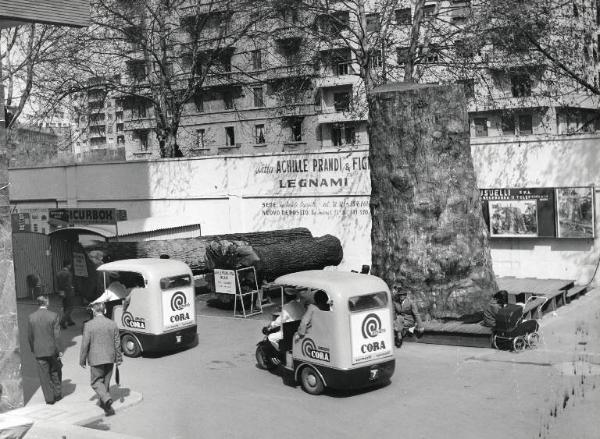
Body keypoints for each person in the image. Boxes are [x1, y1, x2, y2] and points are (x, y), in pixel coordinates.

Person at [80, 302, 123, 416]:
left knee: (95, 382)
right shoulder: (112, 324)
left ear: (94, 311)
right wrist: (118, 358)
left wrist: (82, 359)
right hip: (110, 357)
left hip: (96, 358)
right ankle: (107, 407)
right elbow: (117, 343)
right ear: (104, 311)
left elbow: (85, 344)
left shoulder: (88, 325)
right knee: (106, 382)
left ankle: (106, 399)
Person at [27, 295, 63, 405]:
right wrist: (59, 350)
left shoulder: (31, 317)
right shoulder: (53, 316)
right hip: (52, 350)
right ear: (46, 302)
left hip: (39, 351)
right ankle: (57, 394)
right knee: (55, 371)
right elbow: (57, 335)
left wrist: (34, 349)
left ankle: (49, 399)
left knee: (44, 376)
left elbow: (30, 336)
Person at [56, 259, 75, 329]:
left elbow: (58, 284)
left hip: (61, 291)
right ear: (68, 265)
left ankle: (69, 321)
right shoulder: (69, 273)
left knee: (65, 306)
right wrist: (72, 288)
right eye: (70, 265)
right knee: (70, 307)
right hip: (68, 292)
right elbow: (69, 284)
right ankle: (62, 321)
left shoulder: (58, 273)